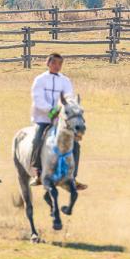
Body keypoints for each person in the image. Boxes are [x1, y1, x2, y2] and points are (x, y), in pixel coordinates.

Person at [29, 53, 85, 190]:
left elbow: (68, 98)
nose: (57, 66)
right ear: (48, 63)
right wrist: (52, 111)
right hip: (43, 119)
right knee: (38, 139)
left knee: (75, 144)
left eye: (60, 64)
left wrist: (62, 111)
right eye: (54, 63)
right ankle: (37, 173)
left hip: (62, 120)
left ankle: (72, 177)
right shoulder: (40, 80)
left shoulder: (65, 81)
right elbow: (38, 100)